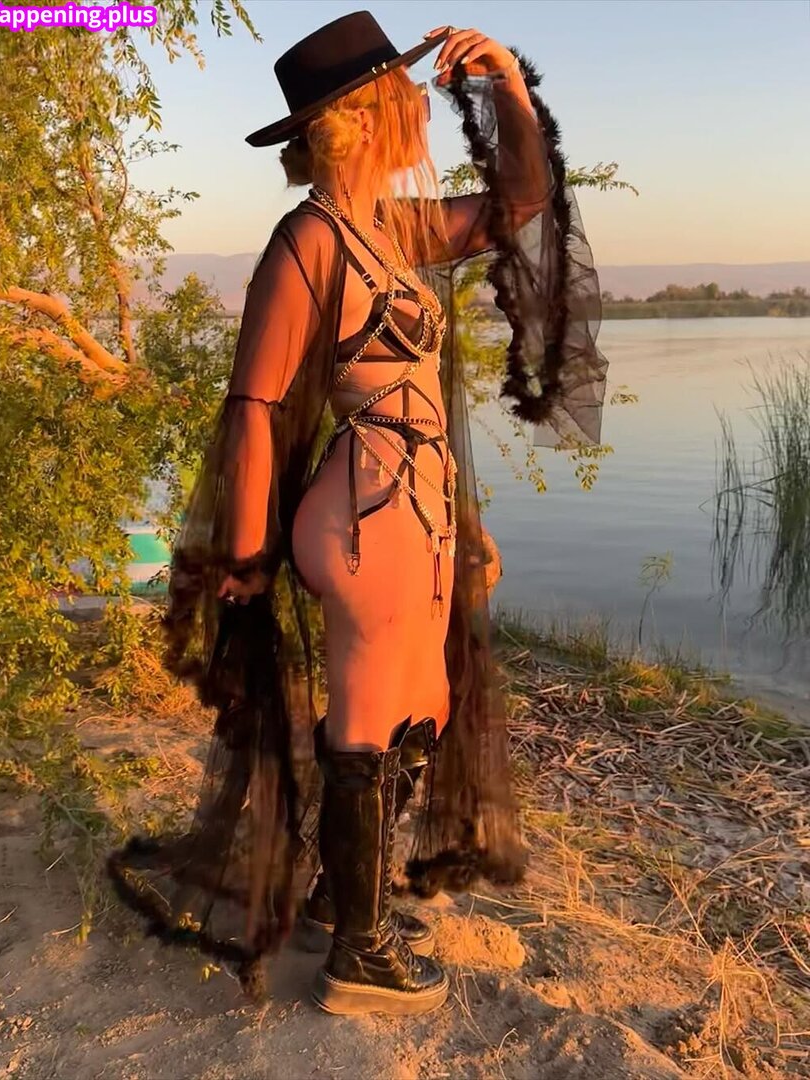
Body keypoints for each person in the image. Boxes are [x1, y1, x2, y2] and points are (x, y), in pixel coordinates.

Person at [108, 10, 607, 1019]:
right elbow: (254, 404)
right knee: (373, 716)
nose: (419, 107)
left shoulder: (394, 227)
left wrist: (509, 87)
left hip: (411, 508)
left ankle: (347, 897)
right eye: (402, 96)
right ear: (364, 117)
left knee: (424, 706)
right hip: (365, 512)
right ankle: (360, 957)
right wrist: (245, 551)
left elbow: (521, 200)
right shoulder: (308, 239)